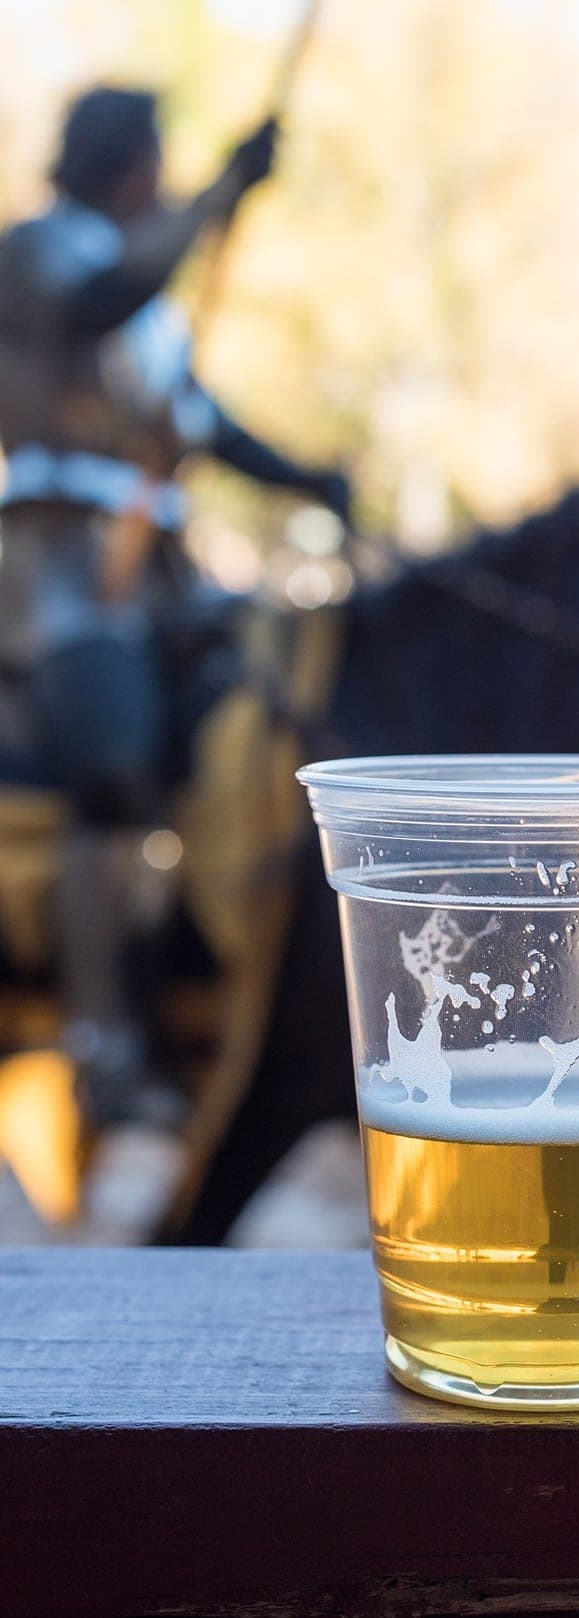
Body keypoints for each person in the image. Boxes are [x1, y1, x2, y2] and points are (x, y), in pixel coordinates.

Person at [0, 86, 352, 1124]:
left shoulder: (155, 315)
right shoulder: (35, 254)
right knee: (114, 765)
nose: (162, 178)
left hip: (161, 575)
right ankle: (100, 1038)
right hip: (56, 571)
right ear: (121, 162)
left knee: (246, 725)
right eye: (157, 161)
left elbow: (204, 425)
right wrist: (221, 195)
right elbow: (103, 294)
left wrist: (309, 480)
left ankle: (203, 988)